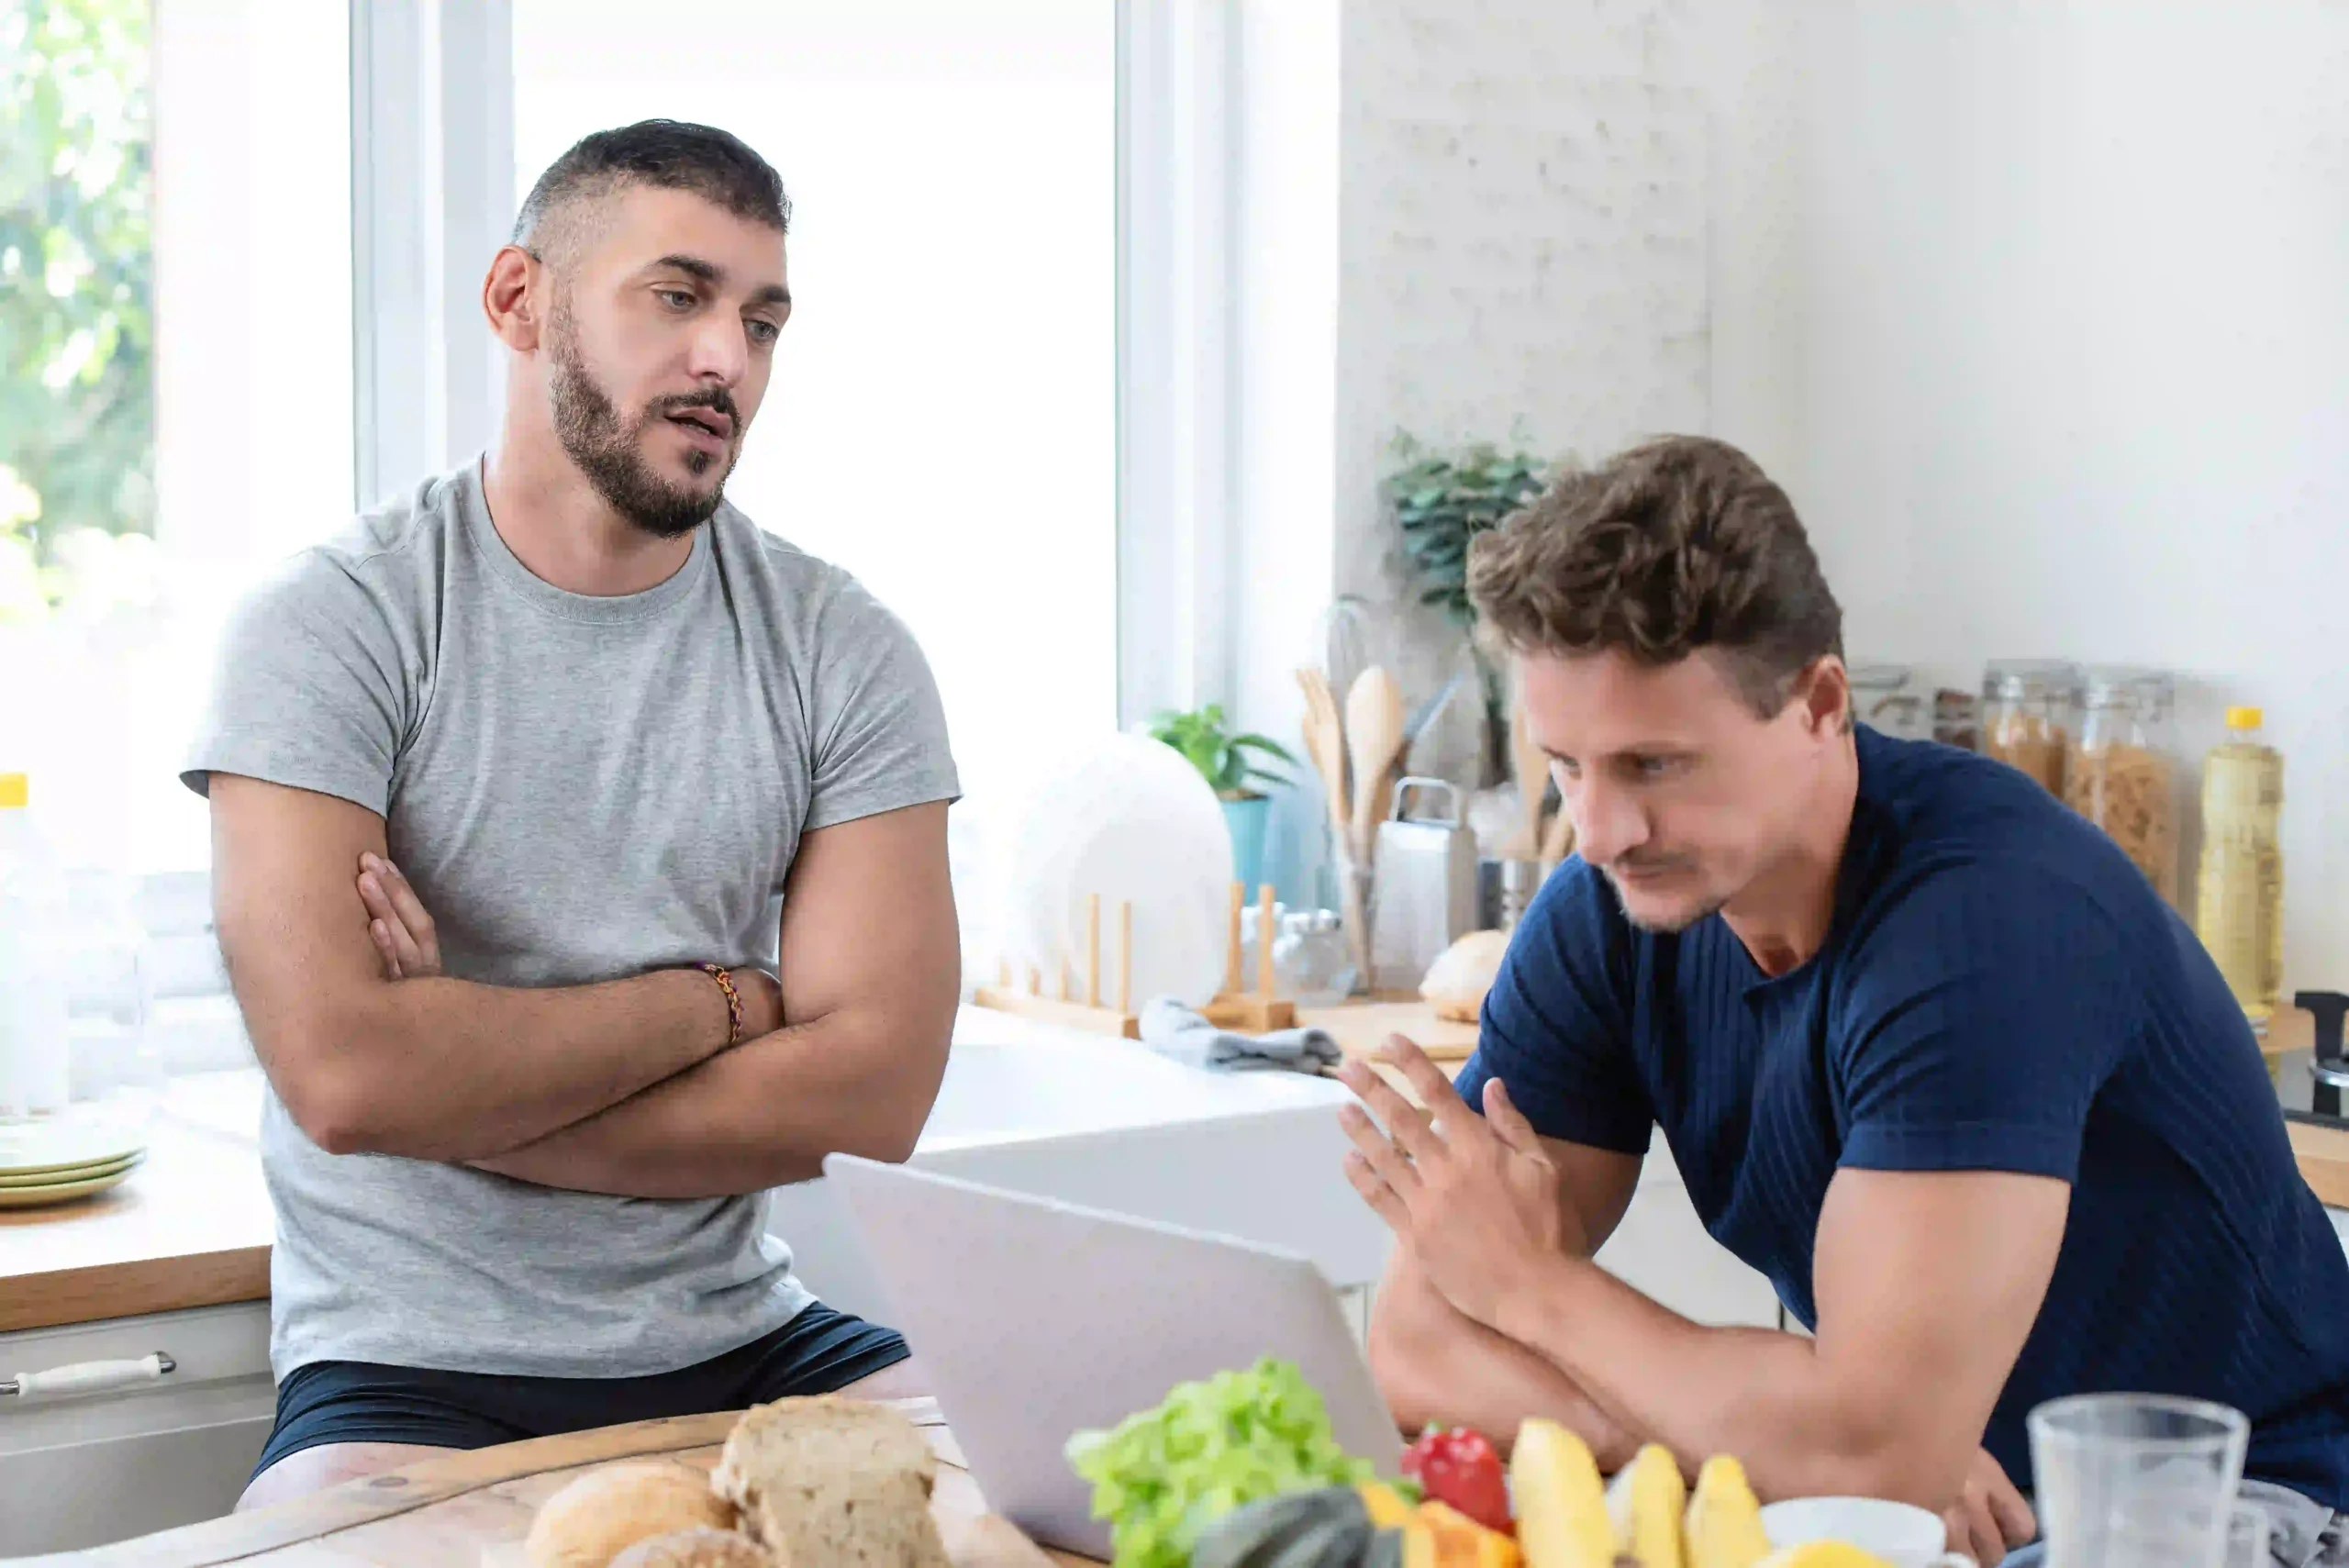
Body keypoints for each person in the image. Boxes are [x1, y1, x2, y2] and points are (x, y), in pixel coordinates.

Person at [1336, 436, 2349, 1566]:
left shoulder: (1984, 921)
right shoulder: (1607, 912)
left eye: (1655, 764)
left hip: (2231, 1511)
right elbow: (1418, 1346)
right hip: (1924, 1511)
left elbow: (1863, 1453)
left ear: (1820, 702)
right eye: (1567, 763)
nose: (1603, 826)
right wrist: (1801, 1442)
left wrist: (1531, 1284)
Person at [185, 119, 962, 1509]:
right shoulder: (332, 626)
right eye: (679, 295)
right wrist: (725, 1003)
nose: (728, 357)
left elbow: (876, 1094)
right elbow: (349, 1076)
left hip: (754, 1341)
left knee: (1044, 1515)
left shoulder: (845, 648)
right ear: (518, 300)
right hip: (405, 1368)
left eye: (762, 319)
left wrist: (462, 1084)